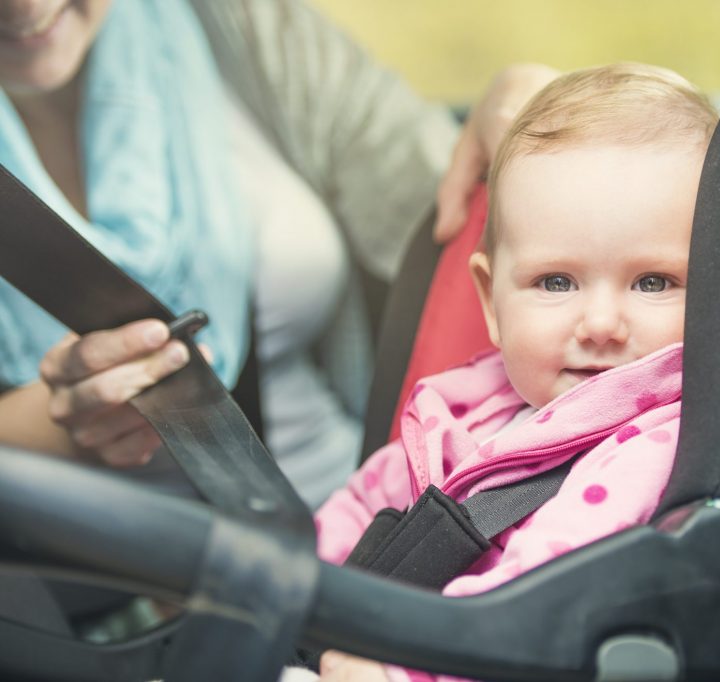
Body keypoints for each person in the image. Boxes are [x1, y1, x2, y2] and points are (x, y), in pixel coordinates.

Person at [0, 0, 557, 508]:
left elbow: (444, 208)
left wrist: (530, 122)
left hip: (375, 526)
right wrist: (45, 427)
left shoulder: (239, 25)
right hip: (108, 587)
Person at [312, 62, 719, 682]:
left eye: (653, 281)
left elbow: (535, 608)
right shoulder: (474, 408)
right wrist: (287, 585)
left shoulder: (654, 449)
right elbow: (369, 500)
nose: (602, 323)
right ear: (491, 301)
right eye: (556, 282)